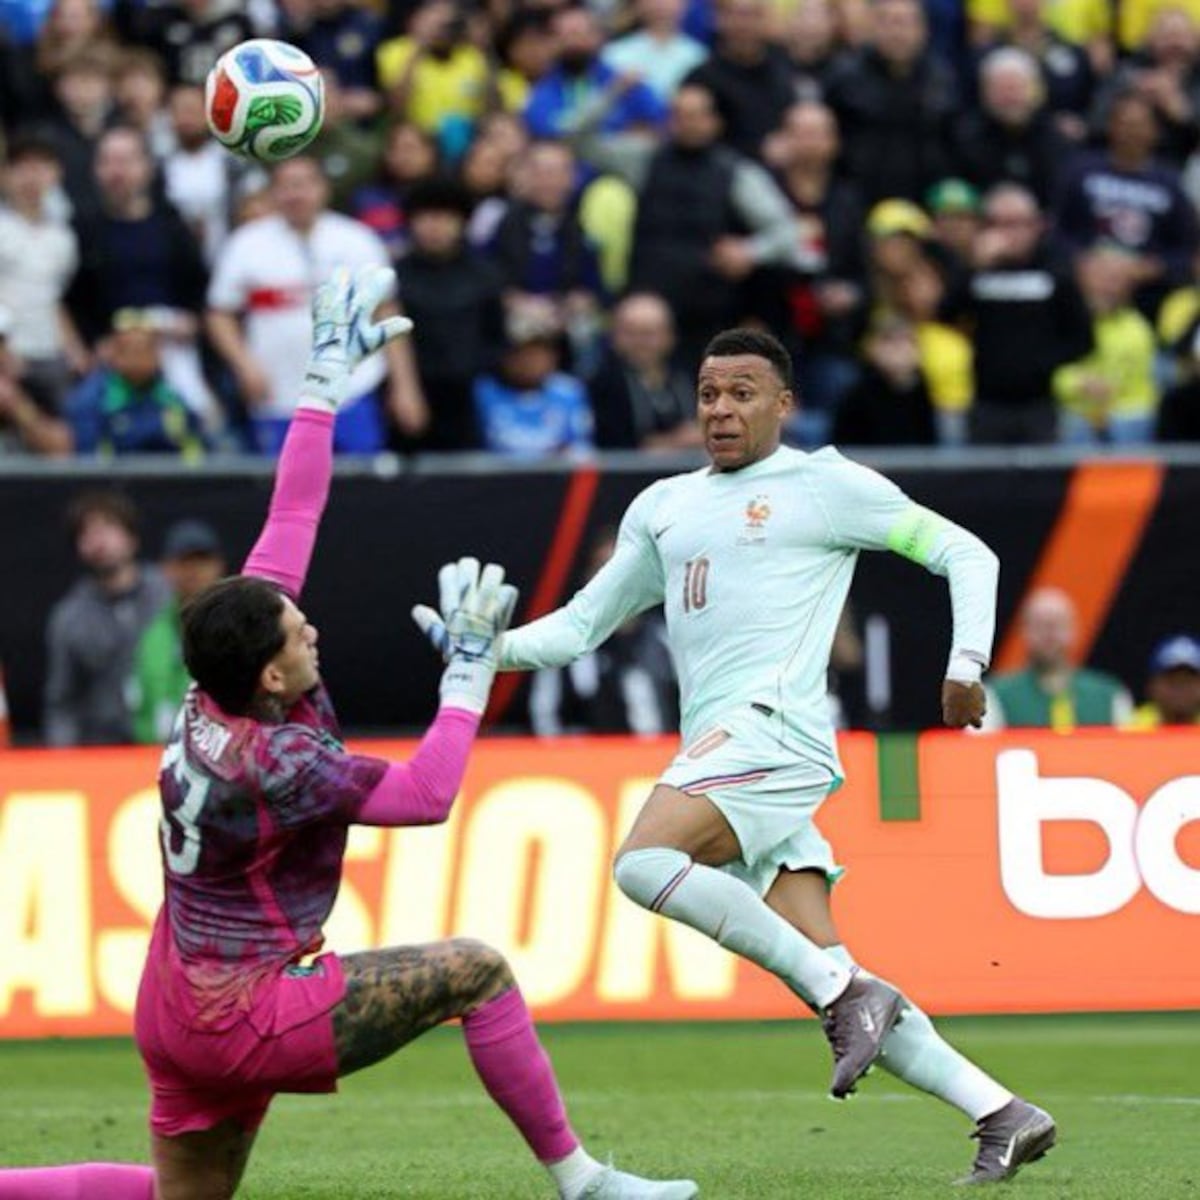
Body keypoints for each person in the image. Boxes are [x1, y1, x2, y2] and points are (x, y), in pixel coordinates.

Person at [0, 266, 697, 1200]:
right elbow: (427, 796)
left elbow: (294, 512)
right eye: (298, 634)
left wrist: (322, 389)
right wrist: (468, 671)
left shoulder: (217, 685)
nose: (312, 626)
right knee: (476, 973)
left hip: (174, 996)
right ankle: (582, 1182)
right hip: (243, 1010)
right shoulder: (276, 759)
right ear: (272, 674)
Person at [428, 326, 1057, 1185]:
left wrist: (966, 665)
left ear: (783, 405)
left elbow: (963, 552)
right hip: (726, 748)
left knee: (645, 862)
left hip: (775, 734)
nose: (721, 410)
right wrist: (480, 650)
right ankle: (1002, 1112)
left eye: (742, 393)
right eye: (709, 394)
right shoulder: (664, 508)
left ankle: (850, 1002)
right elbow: (578, 628)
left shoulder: (824, 485)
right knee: (825, 962)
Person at [206, 155, 428, 454]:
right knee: (288, 493)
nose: (297, 194)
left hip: (354, 391)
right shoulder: (246, 244)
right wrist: (243, 364)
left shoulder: (357, 239)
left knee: (361, 490)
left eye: (306, 184)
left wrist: (405, 387)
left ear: (324, 188)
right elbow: (219, 314)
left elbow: (386, 313)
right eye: (286, 186)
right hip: (277, 397)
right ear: (272, 192)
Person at [43, 488, 171, 746]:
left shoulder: (169, 596)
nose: (98, 540)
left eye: (108, 528)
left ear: (132, 537)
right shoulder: (69, 616)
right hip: (104, 749)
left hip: (169, 743)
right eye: (87, 533)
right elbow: (61, 701)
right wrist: (61, 759)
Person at [530, 528, 679, 736]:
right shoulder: (565, 646)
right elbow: (546, 723)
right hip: (591, 764)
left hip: (667, 762)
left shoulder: (670, 639)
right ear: (587, 579)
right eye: (602, 570)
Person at [129, 519, 226, 745]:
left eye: (202, 560)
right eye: (184, 561)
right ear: (166, 568)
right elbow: (141, 705)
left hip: (223, 762)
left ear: (219, 565)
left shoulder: (240, 630)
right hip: (153, 758)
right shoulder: (151, 633)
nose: (193, 571)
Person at [982, 586, 1132, 730]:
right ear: (1024, 631)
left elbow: (1128, 752)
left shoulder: (1109, 695)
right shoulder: (996, 695)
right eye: (1040, 625)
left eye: (1057, 624)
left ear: (1074, 630)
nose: (1049, 634)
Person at [64, 311, 207, 456]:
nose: (142, 357)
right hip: (114, 477)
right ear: (114, 353)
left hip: (167, 476)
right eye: (133, 349)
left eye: (149, 348)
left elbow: (196, 448)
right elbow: (87, 457)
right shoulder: (91, 399)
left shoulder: (171, 395)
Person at [1126, 634, 1200, 728]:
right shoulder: (1132, 727)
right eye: (1171, 680)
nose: (1180, 688)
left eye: (1188, 680)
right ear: (1152, 685)